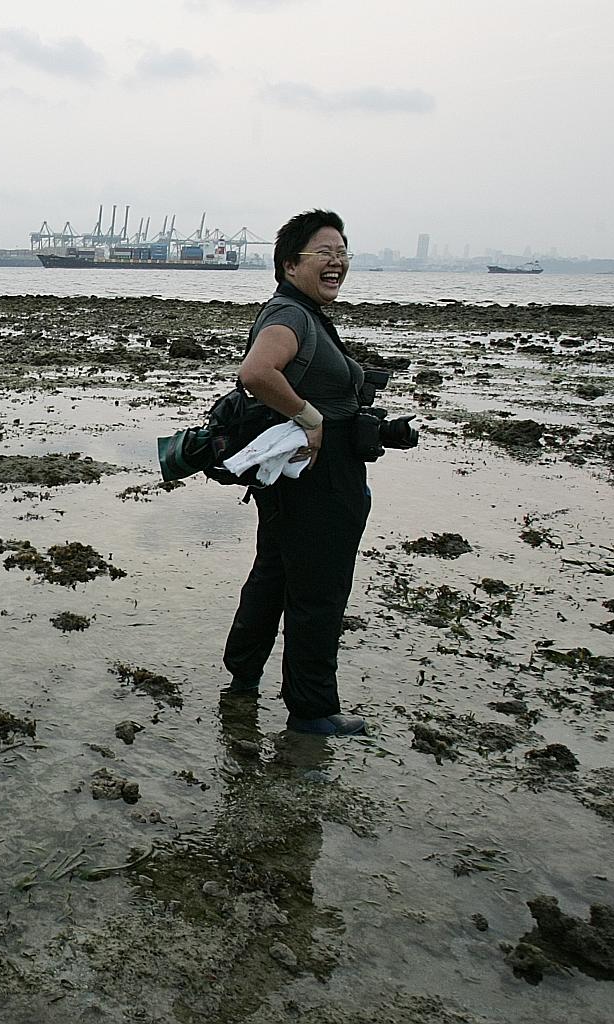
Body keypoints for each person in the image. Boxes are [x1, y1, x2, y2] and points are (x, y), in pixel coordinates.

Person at [221, 209, 375, 736]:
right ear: (290, 264)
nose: (337, 262)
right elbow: (256, 373)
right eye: (324, 253)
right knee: (319, 592)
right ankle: (311, 712)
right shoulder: (290, 316)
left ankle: (242, 678)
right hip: (318, 479)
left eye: (342, 252)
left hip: (298, 477)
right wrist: (309, 418)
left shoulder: (304, 314)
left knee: (275, 574)